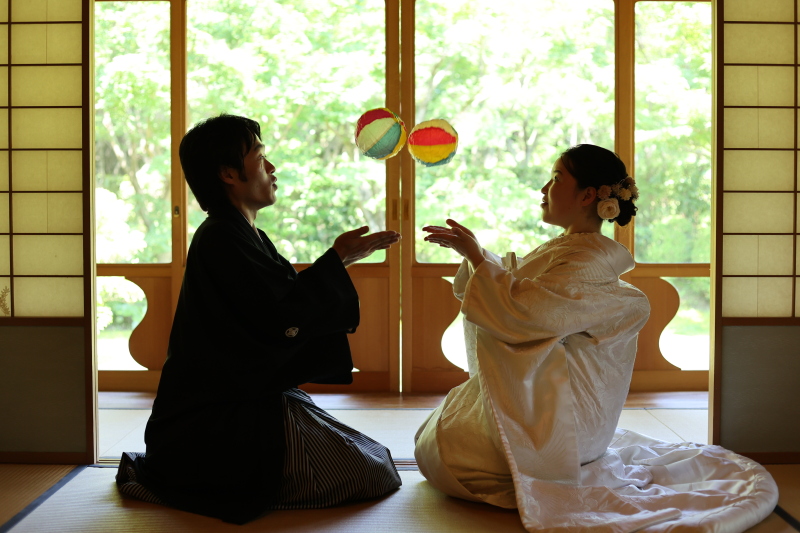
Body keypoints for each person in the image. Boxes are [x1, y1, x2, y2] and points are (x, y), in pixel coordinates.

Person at [415, 144, 777, 532]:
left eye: (556, 178)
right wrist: (477, 257)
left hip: (565, 428)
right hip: (563, 416)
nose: (544, 188)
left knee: (452, 448)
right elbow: (521, 292)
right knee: (443, 441)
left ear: (589, 195)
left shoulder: (586, 260)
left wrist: (477, 258)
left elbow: (526, 313)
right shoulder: (572, 251)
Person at [115, 114, 402, 524]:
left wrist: (339, 261)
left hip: (240, 398)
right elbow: (279, 317)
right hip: (214, 420)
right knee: (364, 473)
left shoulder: (244, 233)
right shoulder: (219, 237)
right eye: (261, 157)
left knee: (373, 460)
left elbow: (281, 305)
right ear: (229, 173)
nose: (271, 168)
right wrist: (336, 260)